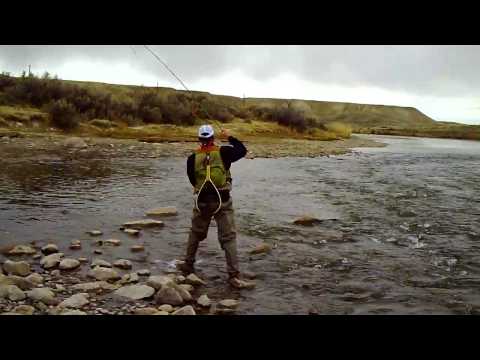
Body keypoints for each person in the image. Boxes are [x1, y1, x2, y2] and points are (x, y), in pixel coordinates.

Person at [178, 124, 255, 289]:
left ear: (199, 139)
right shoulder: (224, 152)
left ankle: (188, 265)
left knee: (195, 233)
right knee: (228, 238)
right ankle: (234, 276)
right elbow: (242, 150)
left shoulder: (192, 158)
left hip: (202, 201)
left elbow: (193, 180)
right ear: (213, 138)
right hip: (223, 200)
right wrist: (229, 137)